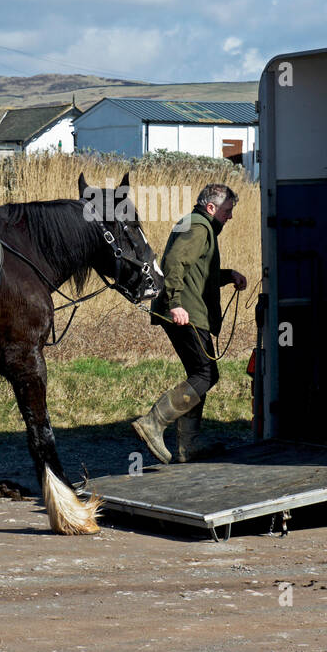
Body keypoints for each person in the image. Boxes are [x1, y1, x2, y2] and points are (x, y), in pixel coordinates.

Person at [132, 183, 247, 463]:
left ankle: (188, 447)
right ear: (211, 208)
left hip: (187, 308)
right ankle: (153, 423)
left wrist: (228, 275)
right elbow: (173, 264)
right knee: (206, 374)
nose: (229, 216)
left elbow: (198, 272)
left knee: (201, 374)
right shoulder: (199, 227)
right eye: (227, 211)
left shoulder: (193, 223)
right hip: (185, 312)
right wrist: (176, 304)